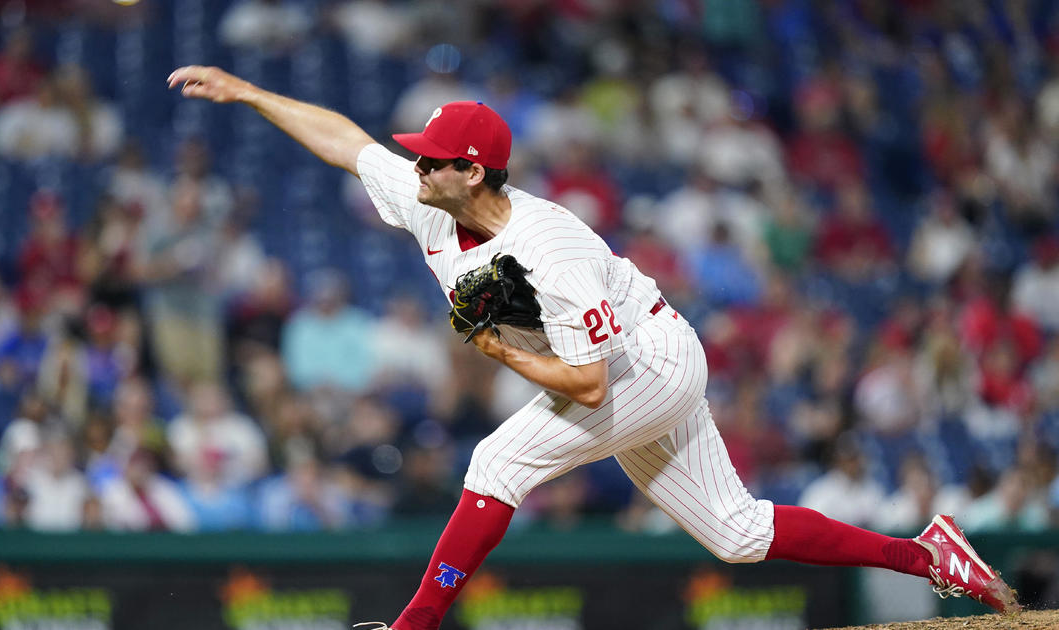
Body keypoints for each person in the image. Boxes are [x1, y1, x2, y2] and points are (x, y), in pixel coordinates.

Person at [167, 65, 1020, 629]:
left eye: (433, 159)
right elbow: (348, 142)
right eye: (420, 158)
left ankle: (412, 627)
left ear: (476, 171)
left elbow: (581, 384)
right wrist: (248, 93)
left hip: (644, 361)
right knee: (736, 532)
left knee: (499, 460)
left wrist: (500, 356)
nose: (415, 167)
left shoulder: (551, 245)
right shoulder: (432, 199)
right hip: (623, 363)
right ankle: (929, 553)